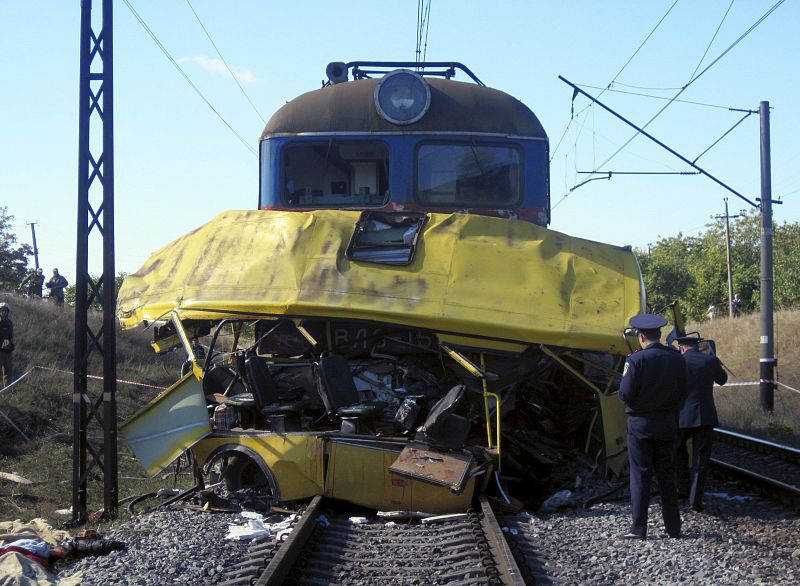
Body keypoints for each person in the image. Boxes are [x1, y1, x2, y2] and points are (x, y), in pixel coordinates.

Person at [619, 313, 687, 540]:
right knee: (667, 475)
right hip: (667, 423)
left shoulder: (635, 361)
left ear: (640, 337)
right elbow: (683, 391)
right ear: (659, 335)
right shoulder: (676, 358)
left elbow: (625, 394)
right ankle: (673, 528)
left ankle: (639, 529)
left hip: (640, 425)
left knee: (640, 475)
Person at [676, 335, 727, 512]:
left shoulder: (677, 362)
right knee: (701, 460)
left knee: (677, 453)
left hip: (681, 417)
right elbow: (723, 380)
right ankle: (695, 501)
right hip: (705, 417)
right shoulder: (710, 361)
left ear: (681, 348)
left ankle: (682, 489)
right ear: (697, 347)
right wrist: (714, 358)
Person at [0, 302, 14, 387]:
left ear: (7, 312)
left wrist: (10, 345)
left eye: (5, 311)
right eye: (1, 310)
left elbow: (10, 336)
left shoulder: (10, 323)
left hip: (7, 348)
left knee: (9, 370)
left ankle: (8, 389)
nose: (3, 312)